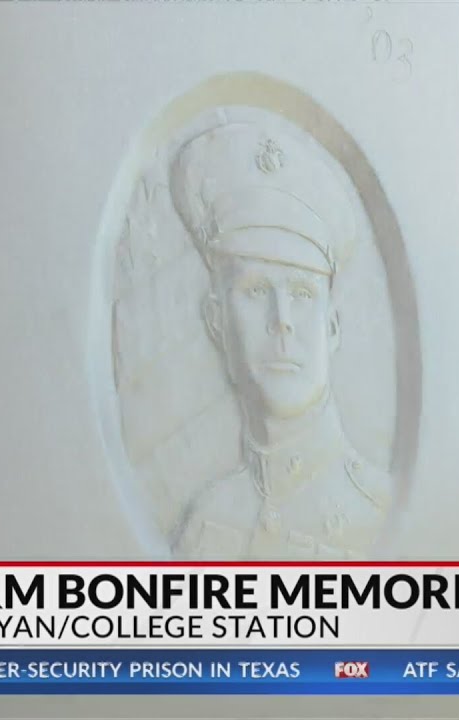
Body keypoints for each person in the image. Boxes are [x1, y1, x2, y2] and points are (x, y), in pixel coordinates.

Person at [167, 118, 392, 559]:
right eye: (255, 291)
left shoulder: (378, 513)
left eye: (303, 293)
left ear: (332, 327)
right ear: (216, 321)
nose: (282, 320)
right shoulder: (203, 527)